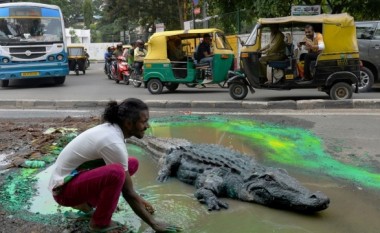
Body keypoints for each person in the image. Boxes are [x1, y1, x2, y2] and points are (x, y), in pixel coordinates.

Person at [48, 98, 182, 233]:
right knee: (117, 173)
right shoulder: (113, 142)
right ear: (129, 123)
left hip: (74, 179)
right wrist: (154, 224)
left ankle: (87, 204)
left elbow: (128, 189)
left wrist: (138, 198)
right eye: (143, 121)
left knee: (131, 164)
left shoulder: (114, 130)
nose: (147, 126)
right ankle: (99, 223)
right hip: (63, 191)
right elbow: (128, 192)